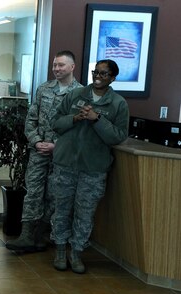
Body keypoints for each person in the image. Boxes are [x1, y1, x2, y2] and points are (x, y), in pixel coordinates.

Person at [49, 59, 129, 273]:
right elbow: (55, 123)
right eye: (96, 72)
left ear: (112, 78)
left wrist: (97, 119)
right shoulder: (76, 95)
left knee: (84, 213)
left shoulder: (118, 103)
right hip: (66, 164)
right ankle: (59, 251)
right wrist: (74, 118)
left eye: (104, 74)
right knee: (61, 209)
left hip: (93, 168)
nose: (98, 77)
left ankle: (76, 254)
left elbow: (118, 137)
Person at [6, 50, 82, 253]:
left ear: (72, 67)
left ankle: (41, 235)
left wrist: (56, 145)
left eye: (61, 65)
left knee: (55, 194)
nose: (56, 68)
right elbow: (31, 119)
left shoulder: (80, 93)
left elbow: (79, 129)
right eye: (55, 65)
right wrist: (37, 140)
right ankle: (26, 235)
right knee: (33, 192)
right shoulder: (44, 89)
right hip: (39, 151)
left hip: (62, 154)